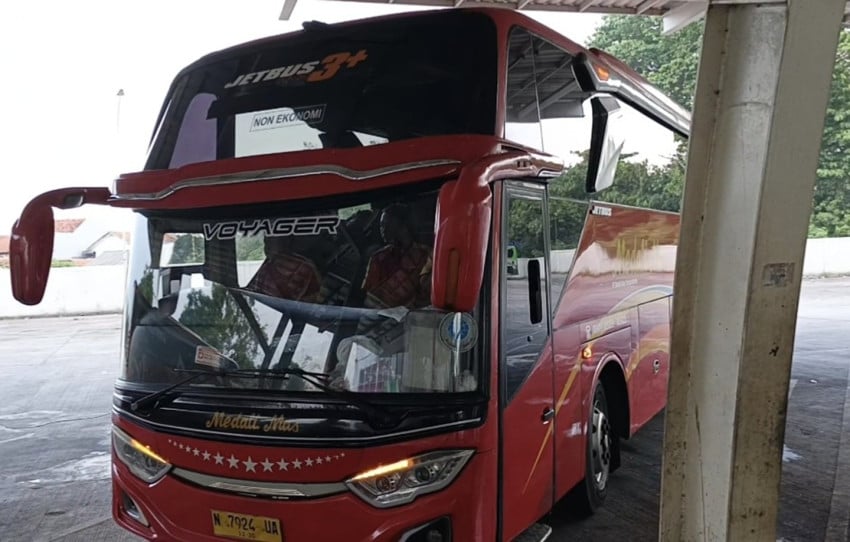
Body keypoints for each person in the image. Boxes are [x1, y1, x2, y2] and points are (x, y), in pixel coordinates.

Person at [361, 203, 432, 309]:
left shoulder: (426, 255)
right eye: (381, 225)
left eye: (386, 224)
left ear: (403, 226)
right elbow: (370, 298)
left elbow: (428, 294)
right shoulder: (379, 258)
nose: (382, 229)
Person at [248, 235, 322, 303]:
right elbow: (252, 293)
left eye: (271, 240)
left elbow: (310, 302)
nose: (267, 245)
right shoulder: (269, 263)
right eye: (266, 240)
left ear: (285, 241)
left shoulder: (303, 267)